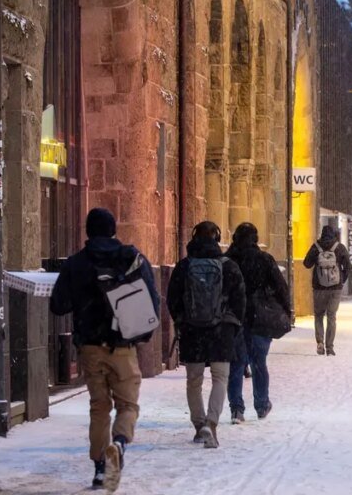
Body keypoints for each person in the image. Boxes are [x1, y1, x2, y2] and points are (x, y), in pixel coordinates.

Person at [50, 207, 160, 491]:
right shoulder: (130, 258)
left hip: (90, 346)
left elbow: (58, 304)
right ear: (114, 230)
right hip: (122, 344)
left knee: (99, 406)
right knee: (128, 405)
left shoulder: (76, 263)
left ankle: (100, 467)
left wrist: (83, 295)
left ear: (88, 231)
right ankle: (120, 444)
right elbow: (151, 297)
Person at [166, 222, 246, 448]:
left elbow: (173, 299)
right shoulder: (229, 266)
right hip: (222, 331)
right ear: (217, 238)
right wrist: (233, 324)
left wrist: (182, 320)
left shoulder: (184, 266)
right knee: (220, 378)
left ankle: (199, 424)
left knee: (194, 380)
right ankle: (212, 423)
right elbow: (240, 300)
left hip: (193, 331)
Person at [225, 222, 291, 424]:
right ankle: (261, 404)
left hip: (234, 318)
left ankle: (236, 409)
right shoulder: (264, 260)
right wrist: (286, 310)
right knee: (259, 362)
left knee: (236, 365)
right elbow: (281, 288)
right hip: (259, 318)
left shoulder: (228, 260)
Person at [303, 225, 351, 356]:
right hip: (335, 289)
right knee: (331, 317)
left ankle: (319, 342)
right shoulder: (339, 247)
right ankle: (329, 347)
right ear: (334, 234)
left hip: (319, 288)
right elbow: (348, 266)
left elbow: (306, 264)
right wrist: (341, 280)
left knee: (319, 315)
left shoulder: (316, 247)